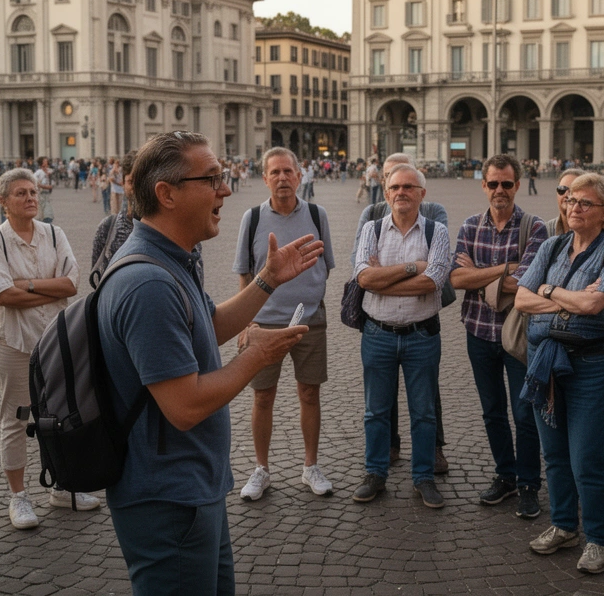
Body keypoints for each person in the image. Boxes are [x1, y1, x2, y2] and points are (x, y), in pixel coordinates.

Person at [97, 131, 322, 595]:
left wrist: (266, 281)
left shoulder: (172, 259)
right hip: (167, 498)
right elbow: (185, 406)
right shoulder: (148, 284)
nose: (225, 190)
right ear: (167, 194)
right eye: (213, 179)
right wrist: (255, 355)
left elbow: (210, 324)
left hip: (194, 487)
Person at [513, 173, 604, 574]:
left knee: (586, 458)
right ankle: (564, 525)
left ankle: (599, 539)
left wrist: (548, 292)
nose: (573, 207)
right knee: (555, 453)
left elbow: (595, 306)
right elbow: (521, 298)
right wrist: (564, 298)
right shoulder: (551, 244)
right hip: (543, 358)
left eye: (585, 203)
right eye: (569, 199)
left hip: (590, 365)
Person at [0, 168, 91, 530]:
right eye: (21, 193)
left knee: (58, 413)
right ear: (3, 201)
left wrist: (24, 285)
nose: (30, 198)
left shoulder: (55, 234)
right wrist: (47, 288)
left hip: (55, 340)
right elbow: (0, 294)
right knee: (16, 418)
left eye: (33, 192)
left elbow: (71, 285)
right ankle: (18, 496)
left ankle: (60, 484)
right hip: (13, 341)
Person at [232, 147, 336, 500]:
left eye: (288, 171)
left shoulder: (318, 215)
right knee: (262, 398)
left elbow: (326, 266)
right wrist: (246, 321)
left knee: (309, 393)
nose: (282, 178)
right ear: (264, 178)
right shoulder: (253, 219)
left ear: (299, 175)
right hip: (263, 323)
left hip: (310, 320)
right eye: (274, 172)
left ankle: (310, 466)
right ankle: (261, 469)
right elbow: (244, 273)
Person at [450, 154, 549, 520]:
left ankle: (528, 484)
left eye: (506, 184)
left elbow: (527, 283)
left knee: (524, 412)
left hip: (518, 334)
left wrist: (480, 273)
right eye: (493, 184)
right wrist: (504, 270)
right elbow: (456, 279)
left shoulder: (534, 228)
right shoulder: (470, 226)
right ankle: (505, 475)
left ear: (517, 185)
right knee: (492, 411)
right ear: (484, 185)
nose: (499, 190)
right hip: (478, 332)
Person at [351, 165, 452, 509]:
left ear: (422, 194)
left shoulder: (437, 231)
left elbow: (434, 281)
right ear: (386, 190)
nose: (401, 192)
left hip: (421, 335)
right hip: (377, 334)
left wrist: (385, 278)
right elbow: (364, 278)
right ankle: (375, 473)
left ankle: (423, 477)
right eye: (395, 187)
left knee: (424, 413)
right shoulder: (371, 227)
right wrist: (414, 267)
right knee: (375, 411)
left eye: (409, 187)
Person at [92, 151, 139, 283]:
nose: (137, 187)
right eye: (131, 181)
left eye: (142, 181)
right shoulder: (107, 228)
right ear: (123, 183)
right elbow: (97, 280)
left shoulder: (171, 231)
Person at [545, 168, 587, 236]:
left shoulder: (592, 231)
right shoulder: (545, 230)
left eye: (573, 190)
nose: (567, 194)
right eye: (562, 189)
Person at [34, 158, 55, 224]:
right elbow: (34, 181)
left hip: (47, 194)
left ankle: (45, 224)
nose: (47, 162)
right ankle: (45, 224)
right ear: (41, 163)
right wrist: (44, 186)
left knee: (47, 211)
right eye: (45, 161)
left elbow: (52, 181)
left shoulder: (49, 171)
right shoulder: (39, 172)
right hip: (41, 194)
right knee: (45, 212)